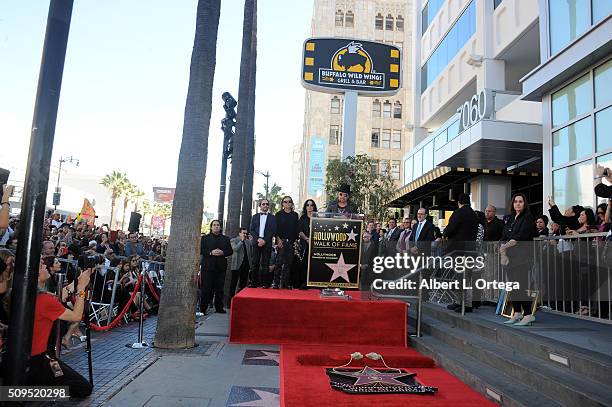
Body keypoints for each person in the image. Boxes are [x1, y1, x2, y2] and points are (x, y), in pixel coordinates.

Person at [28, 259, 93, 397]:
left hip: (33, 357)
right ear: (35, 275)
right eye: (41, 265)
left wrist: (78, 282)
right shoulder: (44, 300)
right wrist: (81, 289)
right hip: (40, 360)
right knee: (83, 388)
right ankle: (28, 392)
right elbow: (76, 316)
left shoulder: (30, 295)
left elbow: (60, 297)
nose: (45, 265)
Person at [501, 193, 538, 326]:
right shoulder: (510, 218)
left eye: (520, 201)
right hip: (511, 257)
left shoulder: (527, 217)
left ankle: (528, 314)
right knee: (512, 286)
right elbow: (505, 235)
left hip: (523, 258)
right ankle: (517, 312)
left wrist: (504, 248)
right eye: (516, 201)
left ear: (524, 203)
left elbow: (520, 236)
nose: (518, 203)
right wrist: (504, 251)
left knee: (521, 285)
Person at [443, 193, 479, 312]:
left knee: (458, 277)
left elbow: (449, 229)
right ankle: (464, 303)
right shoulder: (474, 214)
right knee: (466, 277)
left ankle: (462, 303)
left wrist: (445, 233)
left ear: (459, 203)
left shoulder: (458, 213)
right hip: (470, 250)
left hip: (458, 250)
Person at [200, 220, 233, 313]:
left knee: (219, 289)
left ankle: (219, 308)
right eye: (214, 225)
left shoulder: (226, 239)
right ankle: (203, 308)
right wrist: (211, 252)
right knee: (206, 288)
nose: (216, 226)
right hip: (207, 268)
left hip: (220, 268)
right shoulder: (205, 238)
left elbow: (230, 251)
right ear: (211, 227)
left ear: (220, 227)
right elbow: (201, 250)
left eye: (218, 225)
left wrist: (222, 252)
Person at [248, 199, 277, 288]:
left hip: (267, 242)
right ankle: (253, 283)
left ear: (268, 206)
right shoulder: (255, 216)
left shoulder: (272, 217)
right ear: (260, 206)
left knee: (265, 263)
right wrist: (258, 240)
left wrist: (264, 240)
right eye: (263, 204)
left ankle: (265, 284)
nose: (265, 205)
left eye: (267, 204)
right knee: (255, 263)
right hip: (256, 242)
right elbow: (251, 230)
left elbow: (273, 230)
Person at [273, 196, 299, 289]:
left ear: (292, 203)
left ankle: (285, 284)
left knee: (288, 264)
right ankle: (275, 283)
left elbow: (296, 229)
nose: (287, 203)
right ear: (282, 203)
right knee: (279, 263)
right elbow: (275, 229)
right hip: (281, 241)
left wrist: (294, 241)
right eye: (285, 202)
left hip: (291, 242)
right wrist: (278, 240)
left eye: (289, 202)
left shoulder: (295, 215)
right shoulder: (278, 214)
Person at [228, 227, 252, 307]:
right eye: (243, 233)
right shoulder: (234, 240)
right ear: (239, 233)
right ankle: (230, 303)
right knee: (233, 284)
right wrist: (241, 241)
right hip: (236, 265)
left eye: (246, 233)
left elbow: (250, 253)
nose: (245, 235)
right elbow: (235, 249)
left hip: (246, 266)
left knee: (243, 285)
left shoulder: (248, 242)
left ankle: (241, 303)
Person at [298, 199, 317, 290]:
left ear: (314, 207)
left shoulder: (318, 217)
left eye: (311, 205)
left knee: (315, 264)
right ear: (305, 207)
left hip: (316, 245)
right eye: (307, 205)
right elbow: (300, 231)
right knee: (304, 264)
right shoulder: (302, 218)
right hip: (305, 244)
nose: (310, 207)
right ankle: (304, 283)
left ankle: (315, 283)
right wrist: (306, 239)